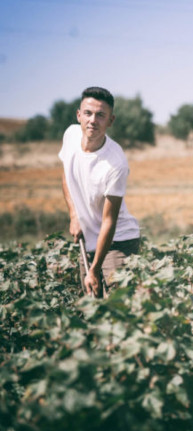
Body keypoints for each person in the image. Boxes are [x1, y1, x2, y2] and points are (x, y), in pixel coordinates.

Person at [59, 86, 141, 296]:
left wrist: (94, 269)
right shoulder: (70, 135)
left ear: (110, 120)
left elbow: (109, 221)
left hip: (117, 241)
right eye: (87, 113)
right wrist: (74, 215)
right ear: (79, 115)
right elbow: (66, 174)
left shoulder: (115, 163)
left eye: (100, 115)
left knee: (119, 307)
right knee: (91, 306)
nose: (92, 120)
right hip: (88, 240)